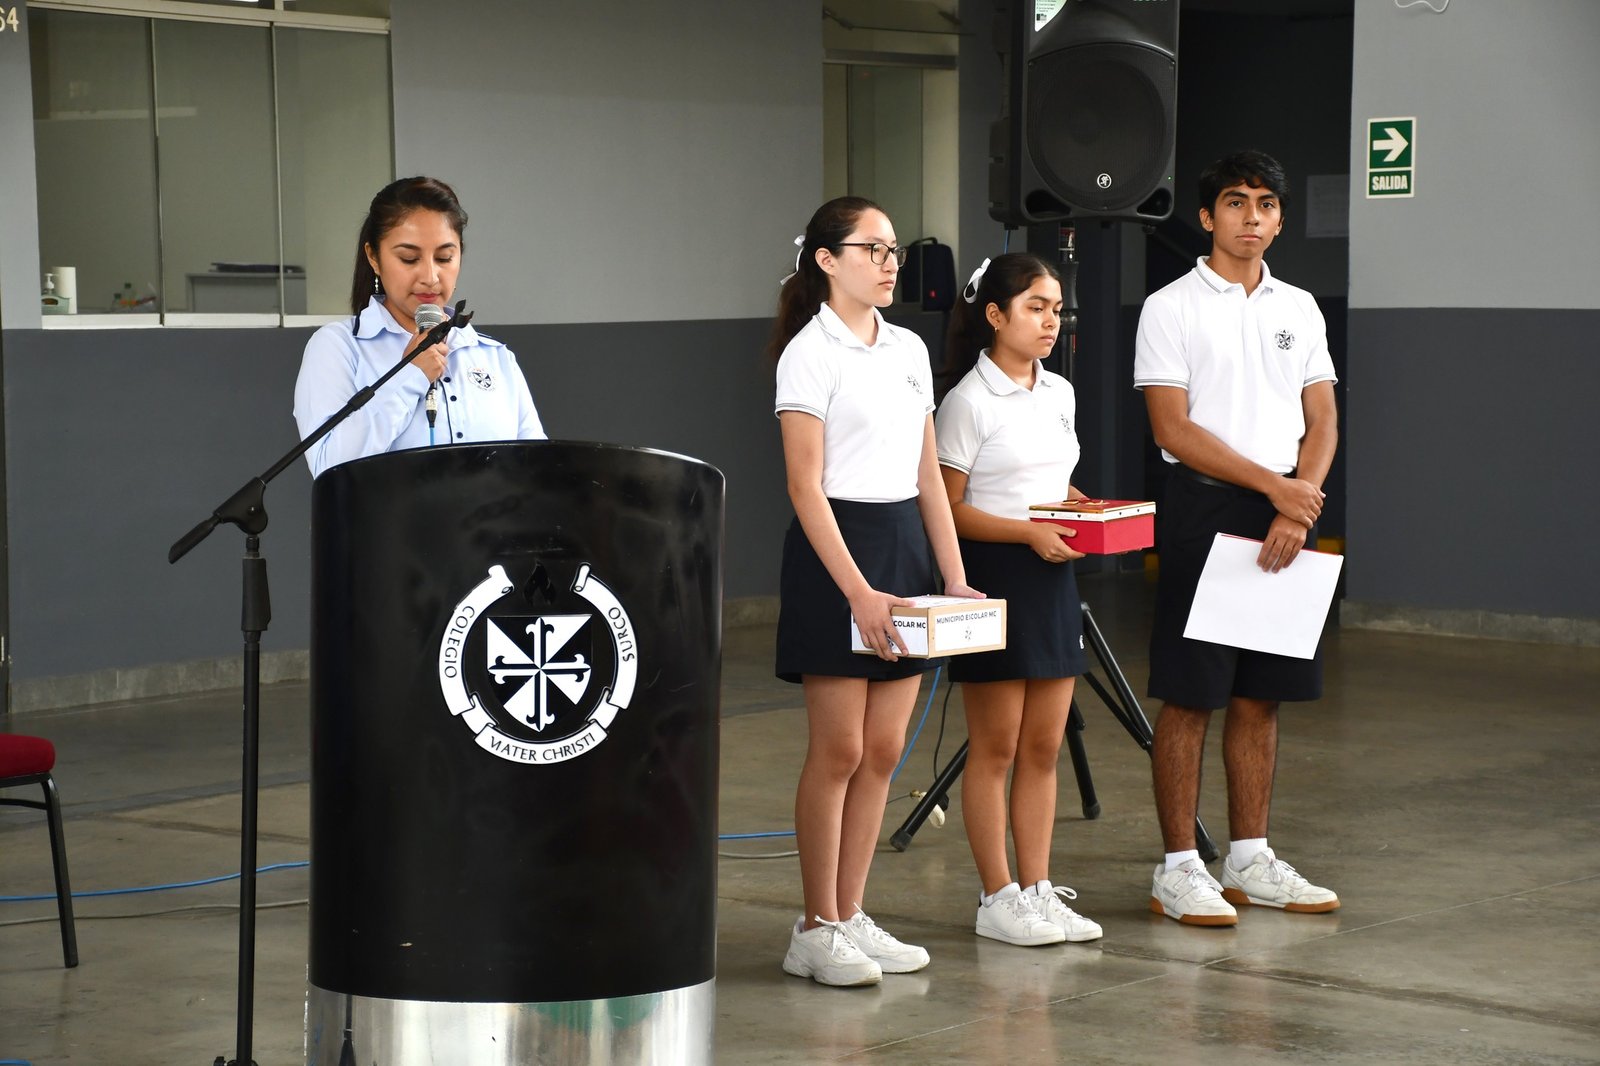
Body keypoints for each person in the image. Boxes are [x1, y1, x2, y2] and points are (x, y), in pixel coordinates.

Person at [770, 196, 981, 987]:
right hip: (839, 557)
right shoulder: (808, 354)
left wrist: (952, 574)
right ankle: (814, 925)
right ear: (827, 260)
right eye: (873, 248)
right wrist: (857, 590)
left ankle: (851, 913)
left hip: (906, 550)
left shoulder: (908, 349)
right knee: (840, 749)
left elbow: (928, 474)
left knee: (886, 749)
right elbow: (804, 485)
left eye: (895, 249)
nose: (891, 262)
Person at [1133, 150, 1341, 926]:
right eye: (1235, 202)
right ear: (1207, 216)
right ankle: (1179, 868)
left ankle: (1249, 857)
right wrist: (1273, 488)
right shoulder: (1170, 307)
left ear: (1279, 219)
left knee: (1262, 696)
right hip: (1202, 509)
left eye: (1264, 205)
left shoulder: (1300, 307)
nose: (1251, 217)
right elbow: (1173, 428)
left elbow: (1321, 418)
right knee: (1191, 696)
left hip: (1287, 512)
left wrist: (1296, 506)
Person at [934, 252, 1104, 948]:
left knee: (1043, 745)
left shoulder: (1058, 392)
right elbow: (946, 508)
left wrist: (1083, 509)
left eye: (1057, 308)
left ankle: (1037, 889)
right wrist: (1029, 533)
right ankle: (996, 896)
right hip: (995, 577)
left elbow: (1052, 482)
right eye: (1035, 306)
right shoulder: (966, 402)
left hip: (1053, 577)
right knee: (996, 747)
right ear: (995, 315)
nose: (1050, 321)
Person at [294, 176, 545, 477]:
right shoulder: (339, 347)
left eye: (444, 257)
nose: (430, 276)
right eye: (409, 258)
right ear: (374, 257)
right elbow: (329, 468)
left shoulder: (494, 357)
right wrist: (410, 375)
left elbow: (537, 473)